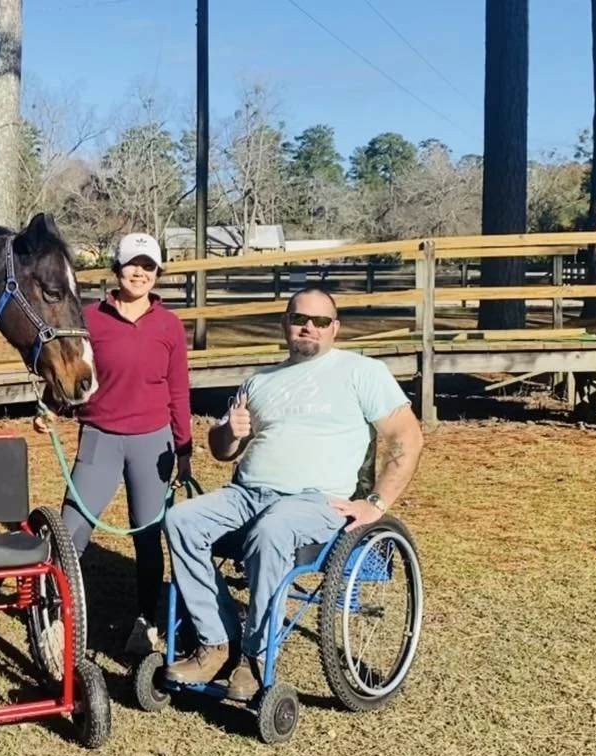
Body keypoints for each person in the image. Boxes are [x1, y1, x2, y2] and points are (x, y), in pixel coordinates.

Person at [160, 287, 424, 699]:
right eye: (300, 319)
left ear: (335, 328)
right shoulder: (260, 381)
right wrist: (229, 432)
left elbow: (407, 437)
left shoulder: (361, 372)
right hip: (247, 493)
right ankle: (217, 641)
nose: (309, 327)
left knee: (273, 530)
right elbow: (222, 449)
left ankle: (255, 656)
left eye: (320, 321)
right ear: (285, 323)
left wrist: (376, 504)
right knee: (181, 520)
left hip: (314, 502)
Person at [35, 231, 192, 656]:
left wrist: (184, 449)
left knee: (148, 532)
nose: (139, 273)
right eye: (131, 264)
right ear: (116, 269)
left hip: (152, 441)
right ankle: (56, 620)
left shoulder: (169, 326)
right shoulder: (90, 318)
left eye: (148, 266)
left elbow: (178, 390)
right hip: (101, 437)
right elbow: (70, 368)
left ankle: (147, 620)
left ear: (158, 272)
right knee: (72, 532)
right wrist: (51, 408)